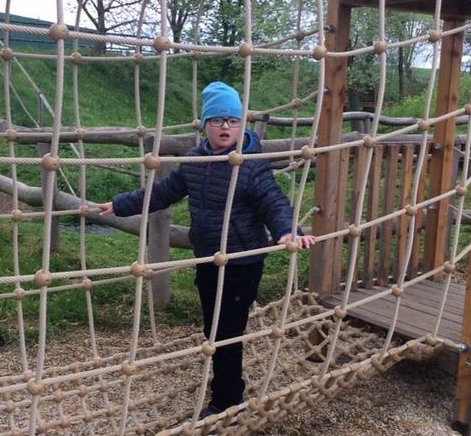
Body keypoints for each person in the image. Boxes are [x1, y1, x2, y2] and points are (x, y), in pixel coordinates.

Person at [99, 81, 315, 417]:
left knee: (227, 331)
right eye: (217, 120)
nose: (226, 127)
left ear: (240, 123)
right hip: (208, 258)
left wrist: (288, 230)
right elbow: (161, 193)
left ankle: (227, 400)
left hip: (242, 261)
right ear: (205, 125)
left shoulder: (251, 163)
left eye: (233, 120)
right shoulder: (195, 162)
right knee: (212, 328)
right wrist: (120, 204)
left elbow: (273, 201)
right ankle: (226, 385)